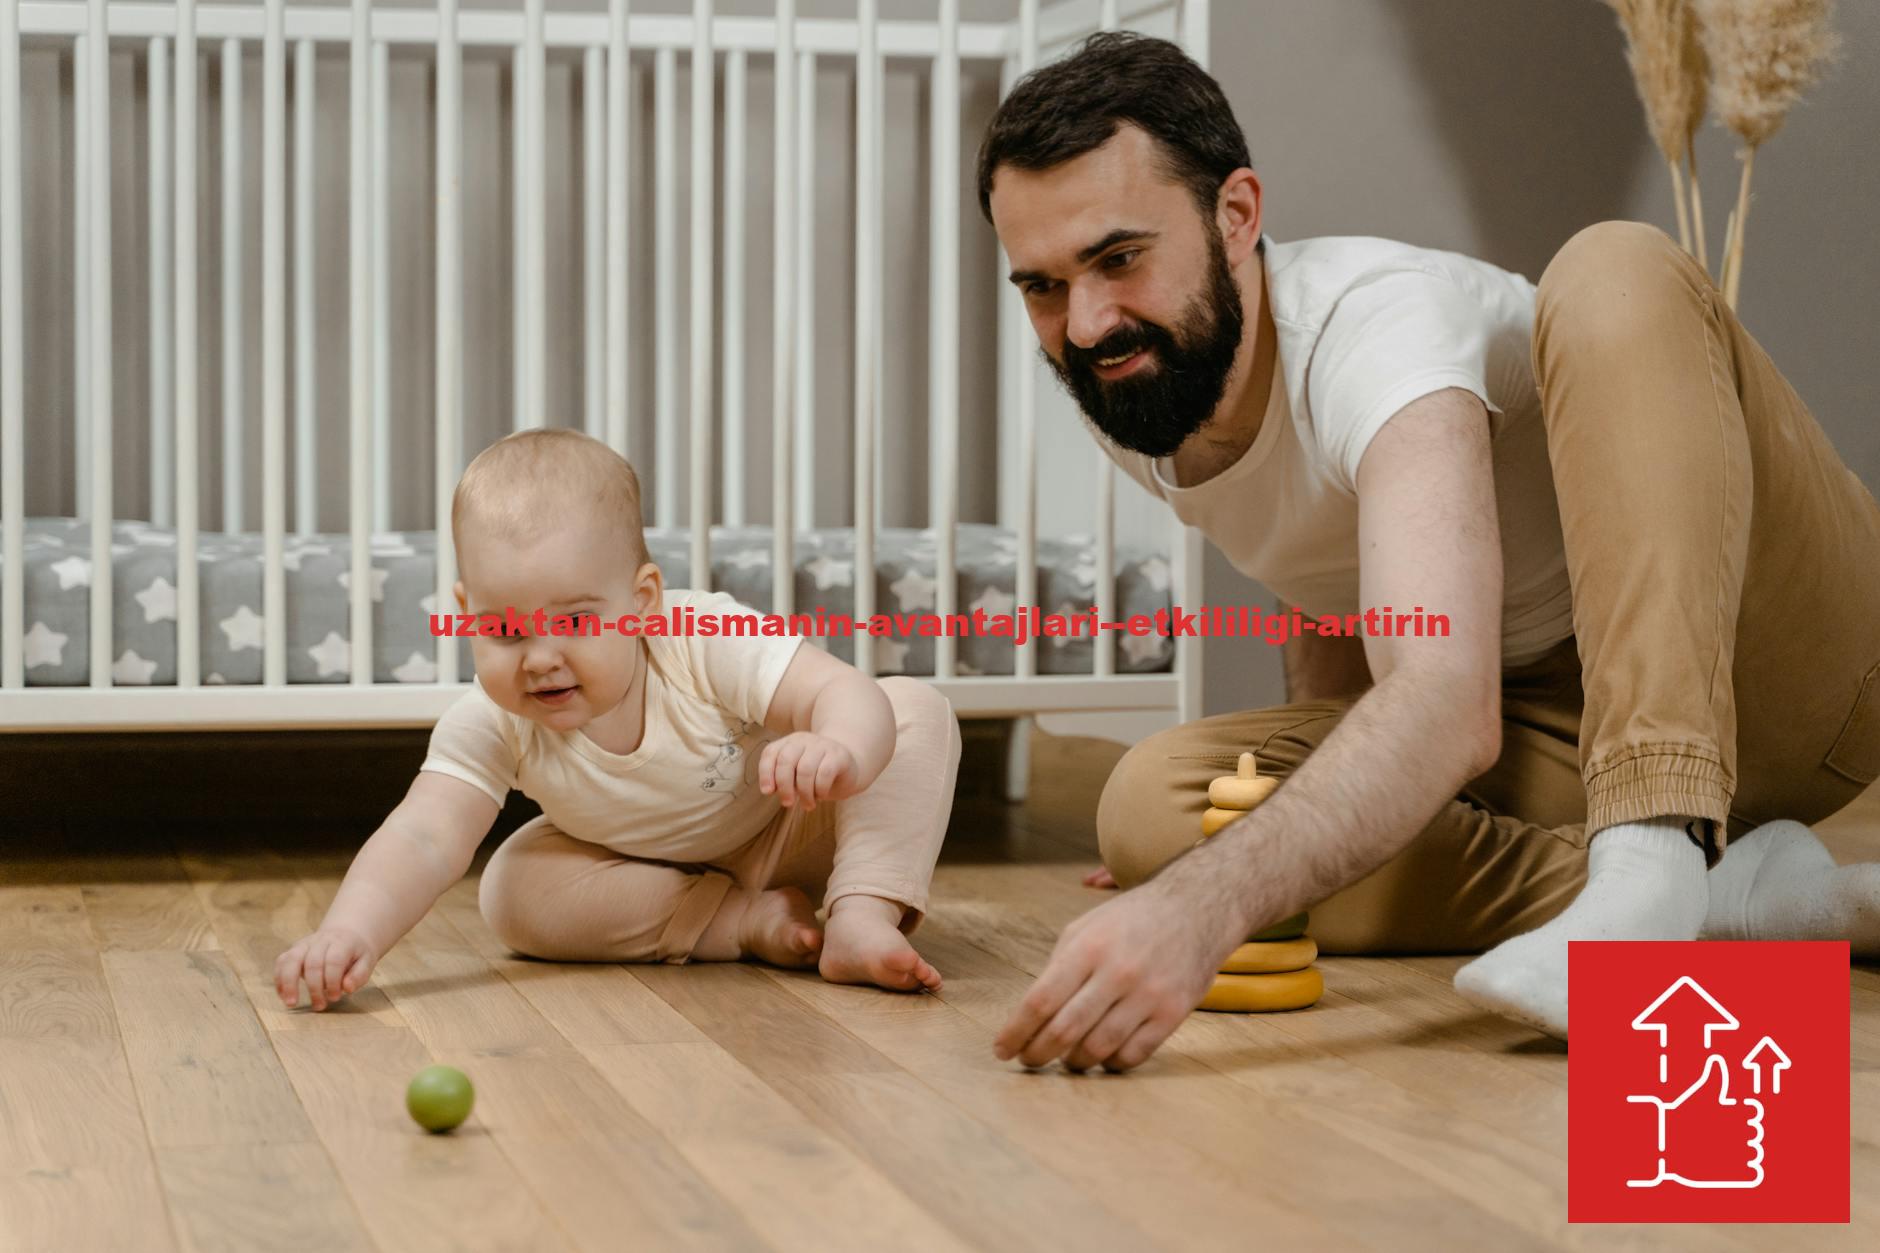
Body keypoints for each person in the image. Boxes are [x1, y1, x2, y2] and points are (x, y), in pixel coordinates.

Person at [977, 31, 1880, 1070]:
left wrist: (1197, 907)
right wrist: (1208, 846)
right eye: (1042, 286)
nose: (1087, 322)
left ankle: (1651, 853)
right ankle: (1744, 899)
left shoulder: (1376, 331)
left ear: (1236, 216)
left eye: (1118, 258)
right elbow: (1324, 560)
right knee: (1155, 805)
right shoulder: (1141, 379)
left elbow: (1443, 701)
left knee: (1611, 266)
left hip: (1780, 661)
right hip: (1559, 723)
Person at [275, 429, 962, 1010]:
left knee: (910, 708)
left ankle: (862, 912)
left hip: (793, 820)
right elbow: (422, 837)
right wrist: (349, 932)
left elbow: (836, 688)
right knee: (511, 890)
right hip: (636, 875)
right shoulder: (489, 720)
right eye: (505, 629)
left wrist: (838, 746)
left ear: (643, 601)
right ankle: (738, 922)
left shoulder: (700, 636)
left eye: (574, 621)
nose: (540, 658)